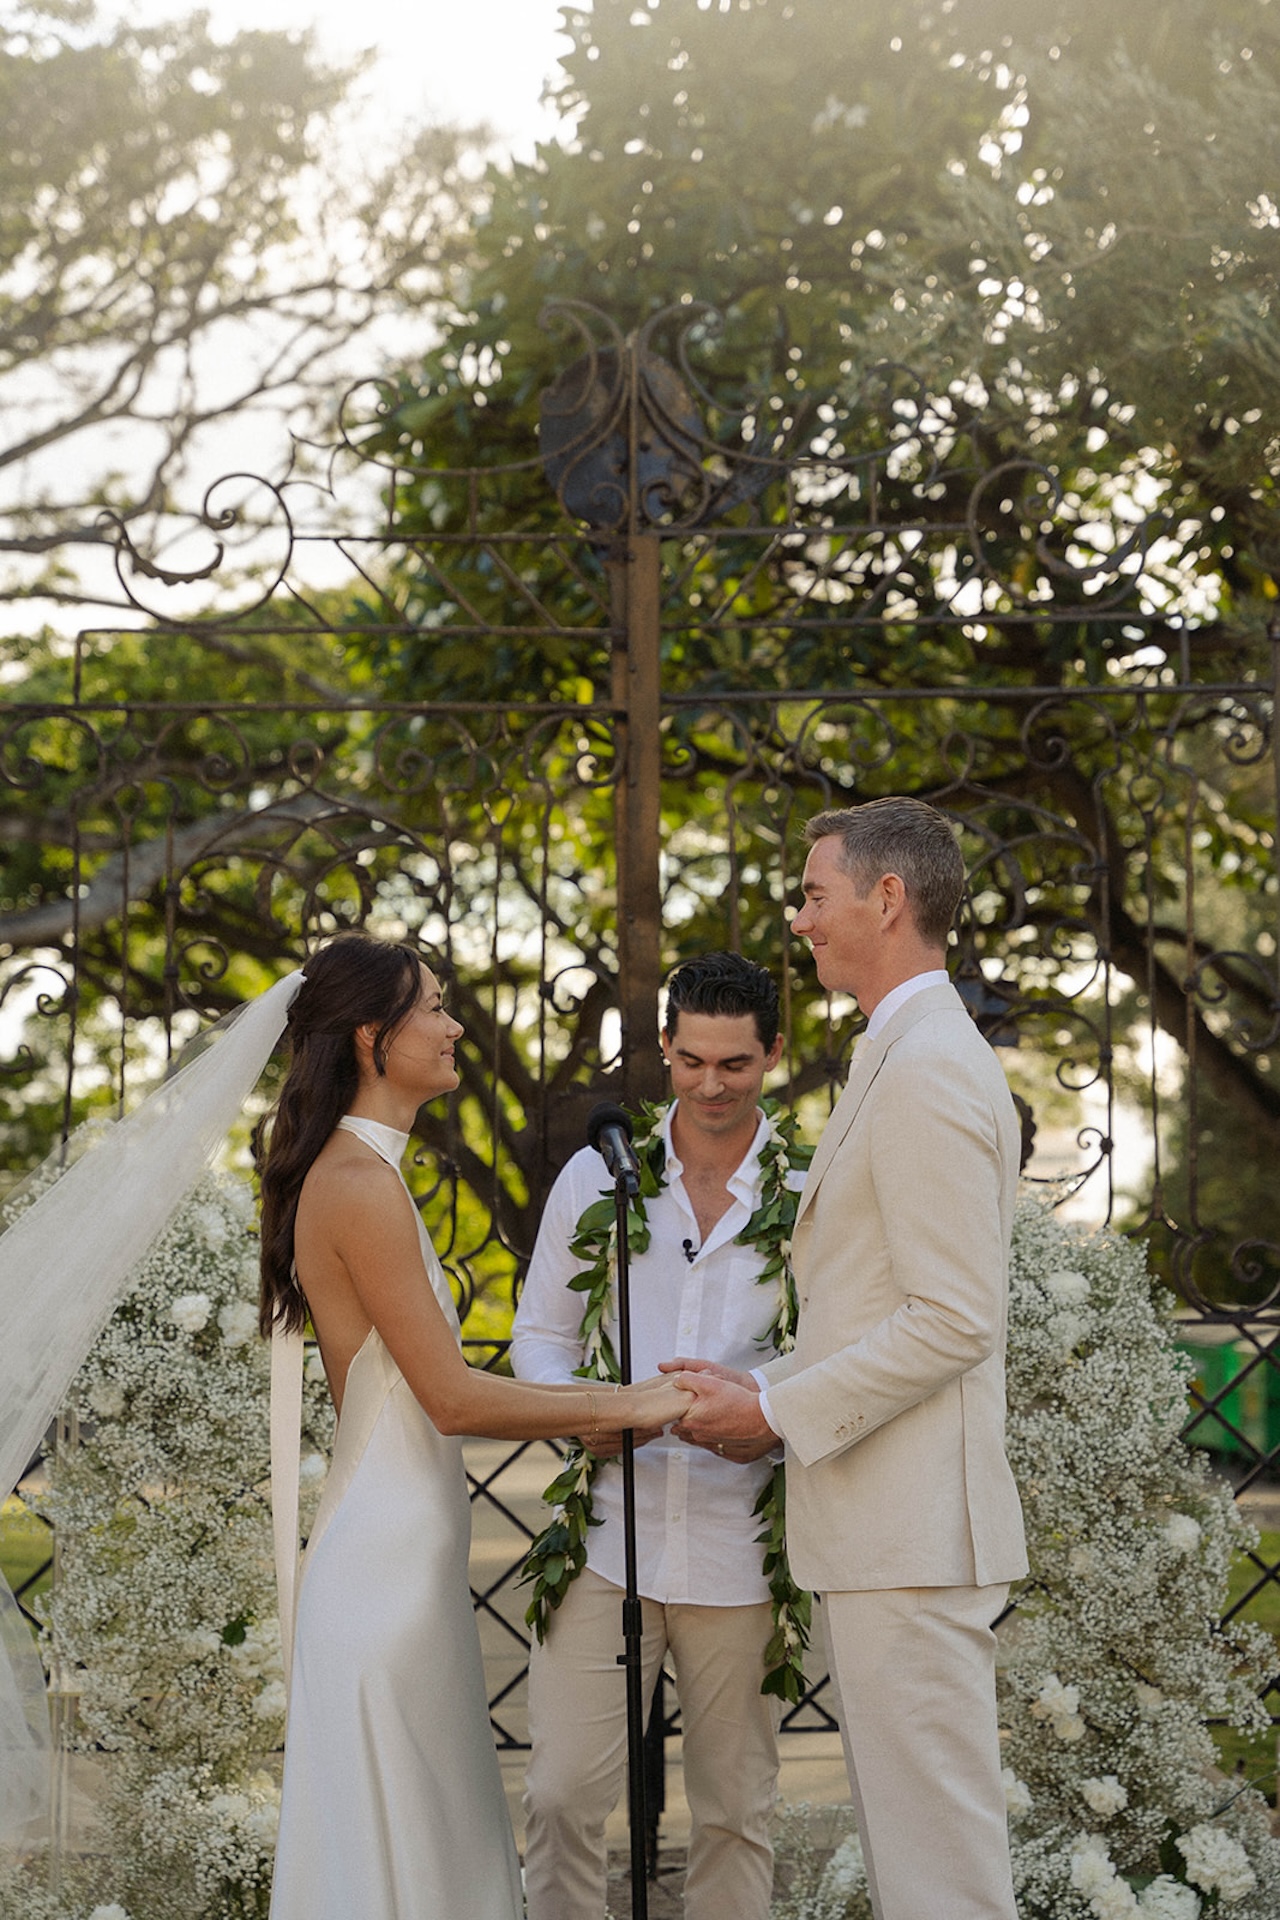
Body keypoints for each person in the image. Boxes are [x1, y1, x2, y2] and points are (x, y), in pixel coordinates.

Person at [256, 933, 692, 1920]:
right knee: (405, 1859)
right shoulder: (357, 1184)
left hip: (404, 1559)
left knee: (428, 1853)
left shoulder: (363, 1171)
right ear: (372, 1037)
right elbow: (451, 1399)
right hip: (382, 1575)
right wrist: (631, 1403)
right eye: (434, 1009)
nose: (455, 1027)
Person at [668, 799, 1028, 1920]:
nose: (799, 918)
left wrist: (775, 1411)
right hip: (887, 1533)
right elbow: (880, 1302)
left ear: (887, 898)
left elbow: (952, 1317)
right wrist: (765, 1379)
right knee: (914, 1857)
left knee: (941, 1874)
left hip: (910, 1537)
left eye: (814, 895)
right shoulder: (902, 1049)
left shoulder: (925, 1066)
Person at [511, 953, 806, 1920]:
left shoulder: (811, 1187)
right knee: (557, 1796)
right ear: (664, 1049)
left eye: (735, 1065)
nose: (711, 1086)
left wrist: (766, 1408)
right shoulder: (596, 1174)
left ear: (773, 1053)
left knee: (734, 1814)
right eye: (690, 1062)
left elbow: (841, 1348)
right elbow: (542, 1339)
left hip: (744, 1552)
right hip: (604, 1542)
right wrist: (584, 1411)